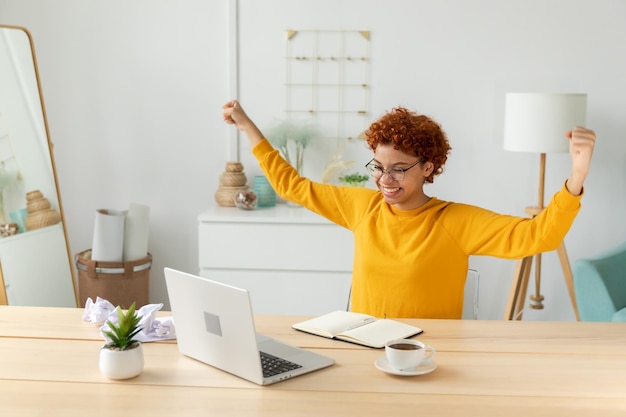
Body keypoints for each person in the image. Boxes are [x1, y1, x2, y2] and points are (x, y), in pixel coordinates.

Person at [222, 100, 596, 319]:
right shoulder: (363, 208)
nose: (385, 179)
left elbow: (539, 236)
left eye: (399, 169)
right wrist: (246, 124)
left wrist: (576, 175)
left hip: (428, 358)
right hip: (363, 349)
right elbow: (292, 184)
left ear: (428, 168)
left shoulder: (454, 222)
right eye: (379, 167)